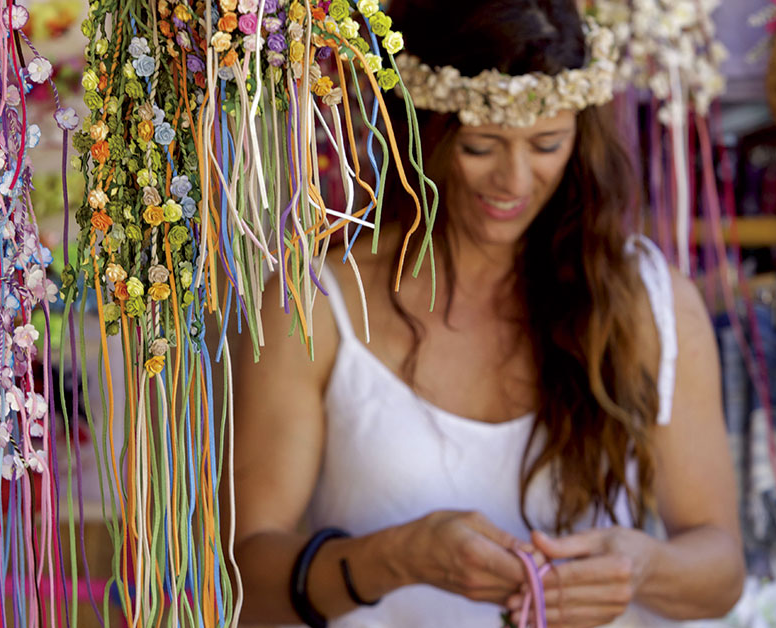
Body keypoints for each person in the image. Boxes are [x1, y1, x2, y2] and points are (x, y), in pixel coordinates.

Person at [231, 0, 746, 626]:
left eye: (547, 143)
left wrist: (642, 569)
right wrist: (391, 559)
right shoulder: (314, 303)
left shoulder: (644, 299)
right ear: (421, 129)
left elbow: (720, 574)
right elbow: (246, 585)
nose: (514, 180)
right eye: (480, 145)